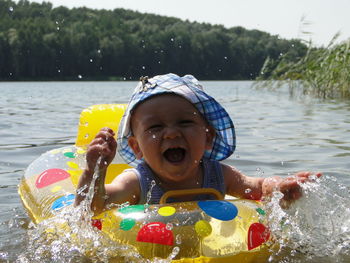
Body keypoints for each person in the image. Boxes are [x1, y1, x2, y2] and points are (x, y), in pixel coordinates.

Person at [74, 73, 321, 214]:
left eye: (184, 122)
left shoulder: (217, 174)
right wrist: (94, 172)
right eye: (155, 127)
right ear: (136, 147)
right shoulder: (136, 182)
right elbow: (94, 208)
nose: (171, 134)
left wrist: (281, 186)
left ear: (208, 137)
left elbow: (256, 186)